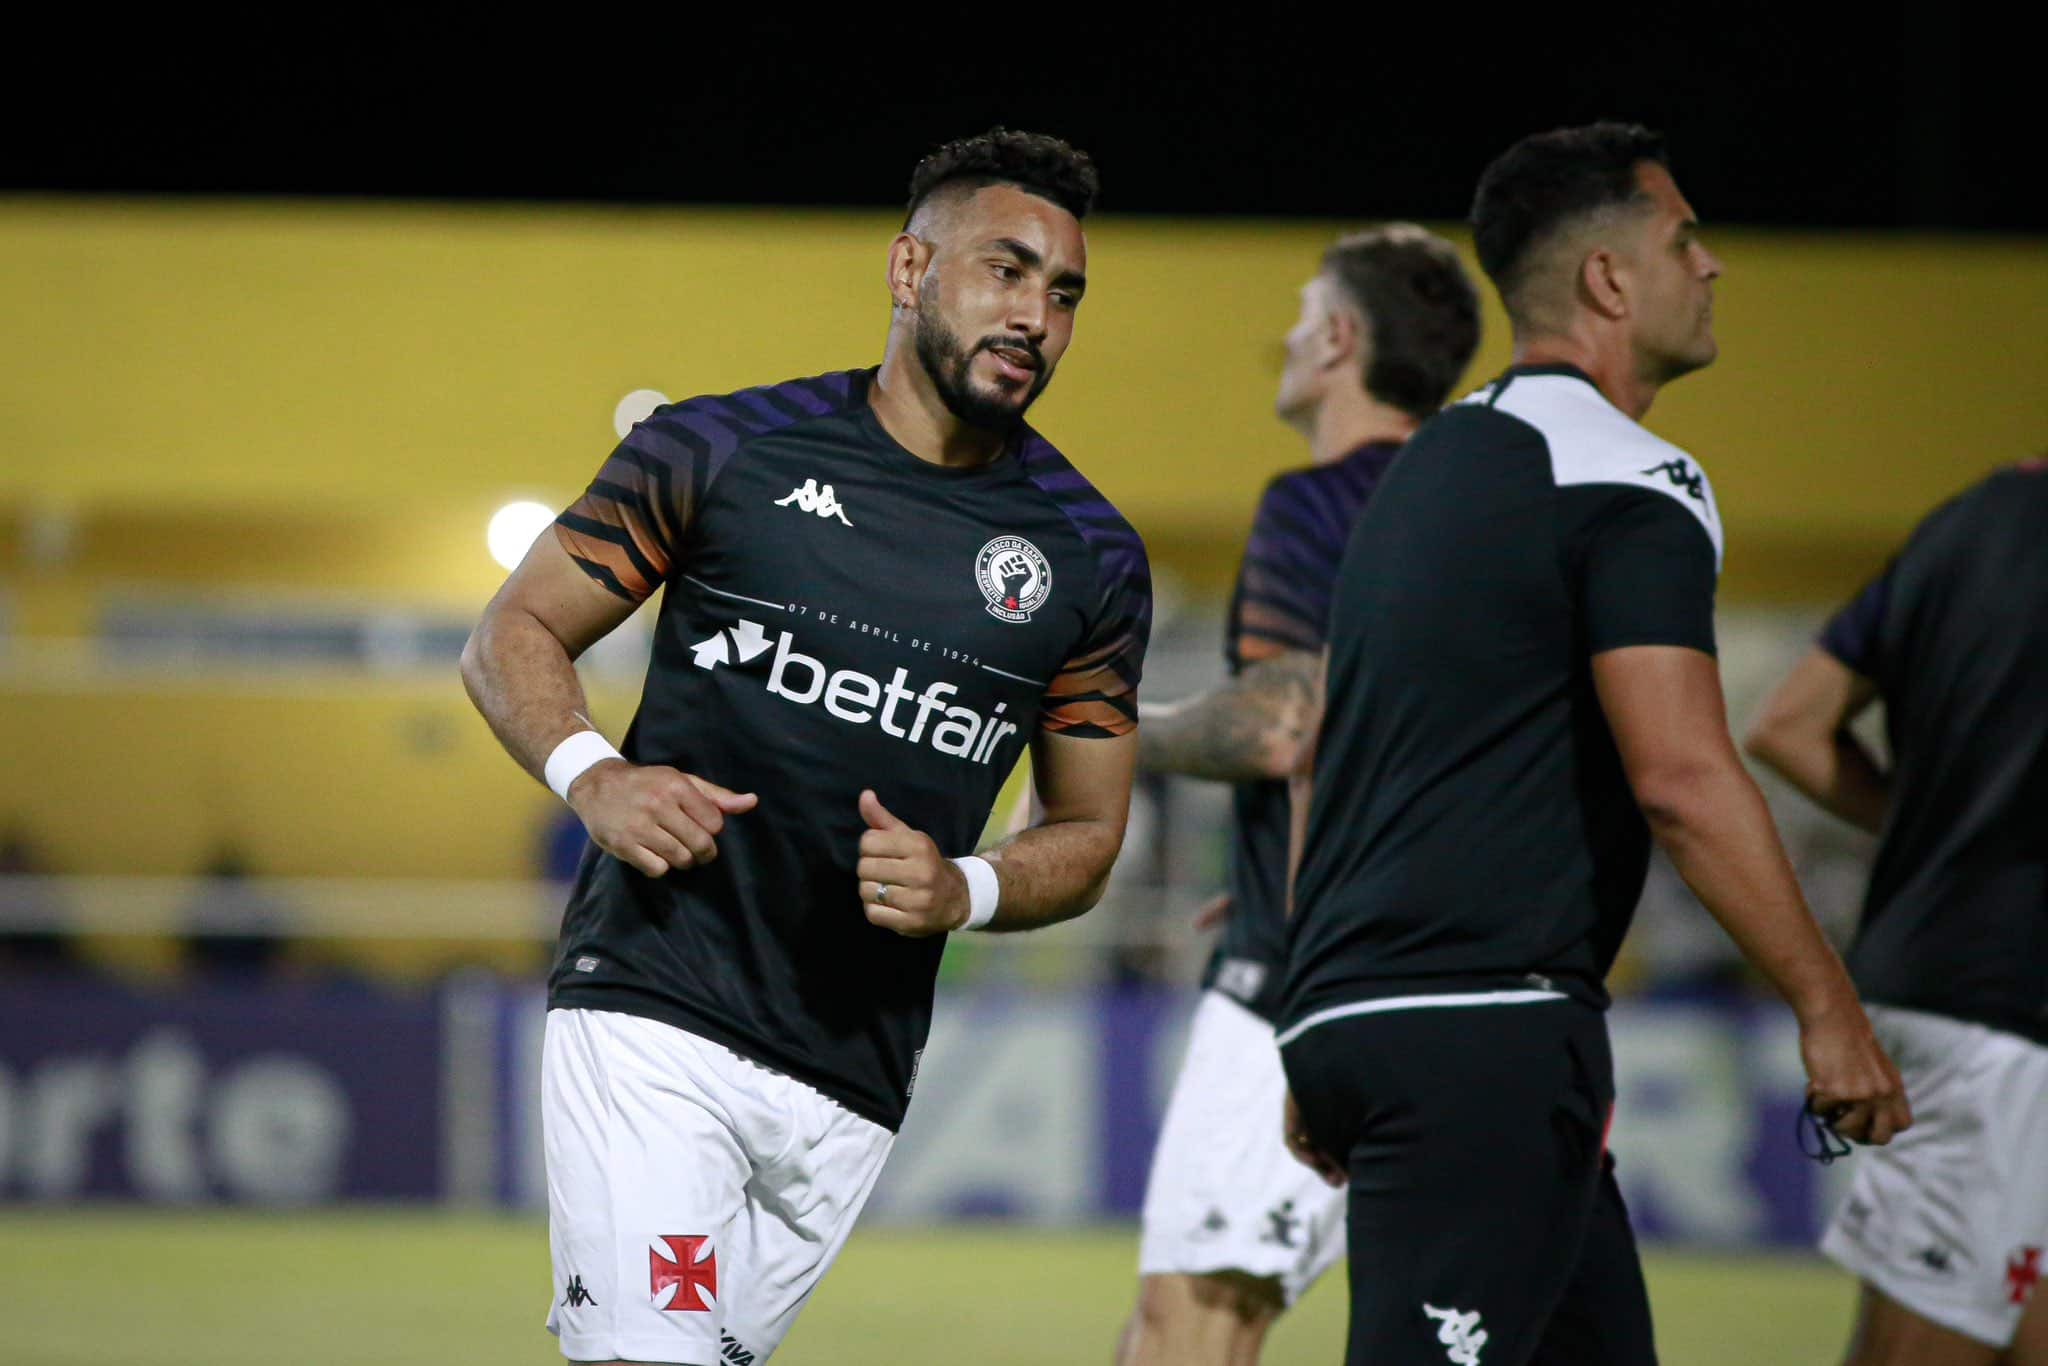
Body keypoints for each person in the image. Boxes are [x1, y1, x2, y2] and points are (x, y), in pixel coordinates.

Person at [460, 128, 1151, 1366]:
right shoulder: (720, 450)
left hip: (850, 1080)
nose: (1034, 315)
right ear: (907, 270)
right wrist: (592, 773)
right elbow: (511, 632)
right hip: (654, 1005)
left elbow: (1090, 831)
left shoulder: (1090, 560)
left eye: (1062, 293)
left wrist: (967, 887)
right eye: (1004, 270)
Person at [1273, 121, 1912, 1366]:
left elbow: (1335, 755)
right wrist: (1826, 1006)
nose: (1711, 265)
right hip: (1480, 1027)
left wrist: (1323, 1013)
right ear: (1610, 281)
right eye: (1683, 238)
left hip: (1374, 1012)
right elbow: (1678, 775)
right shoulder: (1630, 475)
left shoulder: (1423, 471)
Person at [1117, 225, 1480, 1365]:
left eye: (1300, 310)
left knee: (1195, 1323)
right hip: (1473, 983)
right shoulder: (1487, 510)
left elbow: (1280, 725)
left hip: (1306, 979)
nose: (1280, 332)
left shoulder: (1318, 503)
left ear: (1336, 338)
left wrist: (1102, 735)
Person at [1745, 460, 2048, 1366]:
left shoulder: (1968, 518)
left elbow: (1789, 726)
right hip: (2001, 1015)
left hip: (1952, 979)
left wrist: (1940, 834)